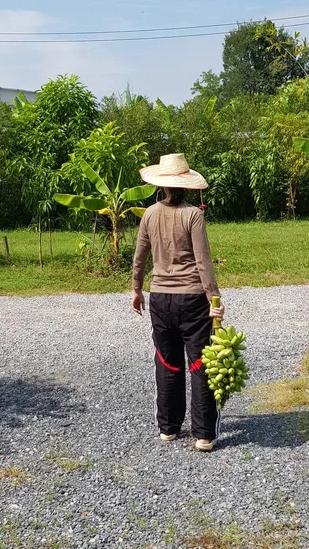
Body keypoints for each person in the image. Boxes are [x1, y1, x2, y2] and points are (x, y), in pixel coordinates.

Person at [131, 153, 225, 451]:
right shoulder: (193, 215)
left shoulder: (149, 214)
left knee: (167, 363)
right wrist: (214, 298)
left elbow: (140, 256)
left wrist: (136, 289)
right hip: (193, 300)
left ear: (161, 186)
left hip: (160, 298)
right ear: (185, 186)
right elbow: (203, 260)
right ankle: (203, 435)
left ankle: (169, 428)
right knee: (199, 365)